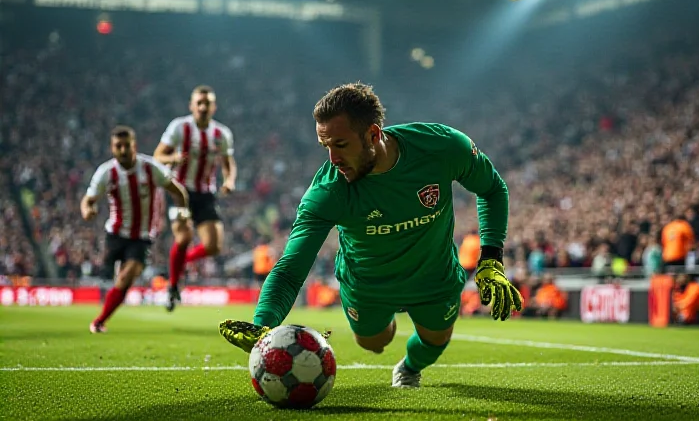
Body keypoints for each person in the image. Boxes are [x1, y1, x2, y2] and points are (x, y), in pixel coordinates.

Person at [218, 83, 522, 387]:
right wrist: (262, 326)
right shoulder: (327, 192)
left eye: (341, 144)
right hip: (367, 285)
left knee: (435, 341)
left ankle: (409, 367)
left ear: (373, 134)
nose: (332, 158)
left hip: (434, 277)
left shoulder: (442, 148)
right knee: (373, 342)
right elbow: (290, 270)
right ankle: (382, 323)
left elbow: (493, 189)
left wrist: (491, 259)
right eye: (326, 146)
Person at [81, 126, 189, 333]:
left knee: (126, 277)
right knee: (110, 277)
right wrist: (87, 210)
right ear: (112, 148)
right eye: (118, 146)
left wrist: (182, 214)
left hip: (141, 237)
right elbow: (89, 199)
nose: (122, 150)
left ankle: (99, 321)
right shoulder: (106, 172)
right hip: (114, 235)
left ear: (134, 146)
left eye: (126, 145)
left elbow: (179, 192)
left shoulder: (150, 167)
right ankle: (108, 292)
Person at [154, 86, 236, 311]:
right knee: (183, 237)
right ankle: (172, 285)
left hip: (205, 194)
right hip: (179, 191)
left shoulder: (222, 134)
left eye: (206, 103)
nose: (202, 107)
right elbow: (157, 156)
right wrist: (173, 158)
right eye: (198, 103)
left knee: (214, 246)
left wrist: (229, 181)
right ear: (191, 105)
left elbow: (228, 164)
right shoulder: (179, 127)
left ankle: (176, 267)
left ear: (213, 107)